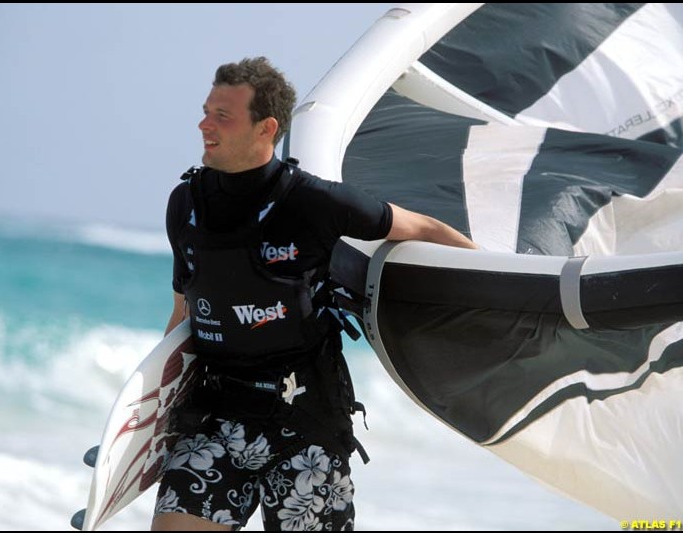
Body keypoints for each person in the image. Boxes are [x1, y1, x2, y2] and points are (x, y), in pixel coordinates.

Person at [153, 57, 477, 532]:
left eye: (222, 116)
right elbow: (183, 313)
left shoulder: (314, 201)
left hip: (306, 423)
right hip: (216, 416)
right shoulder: (185, 203)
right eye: (206, 111)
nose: (204, 124)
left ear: (266, 128)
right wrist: (155, 413)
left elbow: (423, 228)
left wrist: (499, 284)